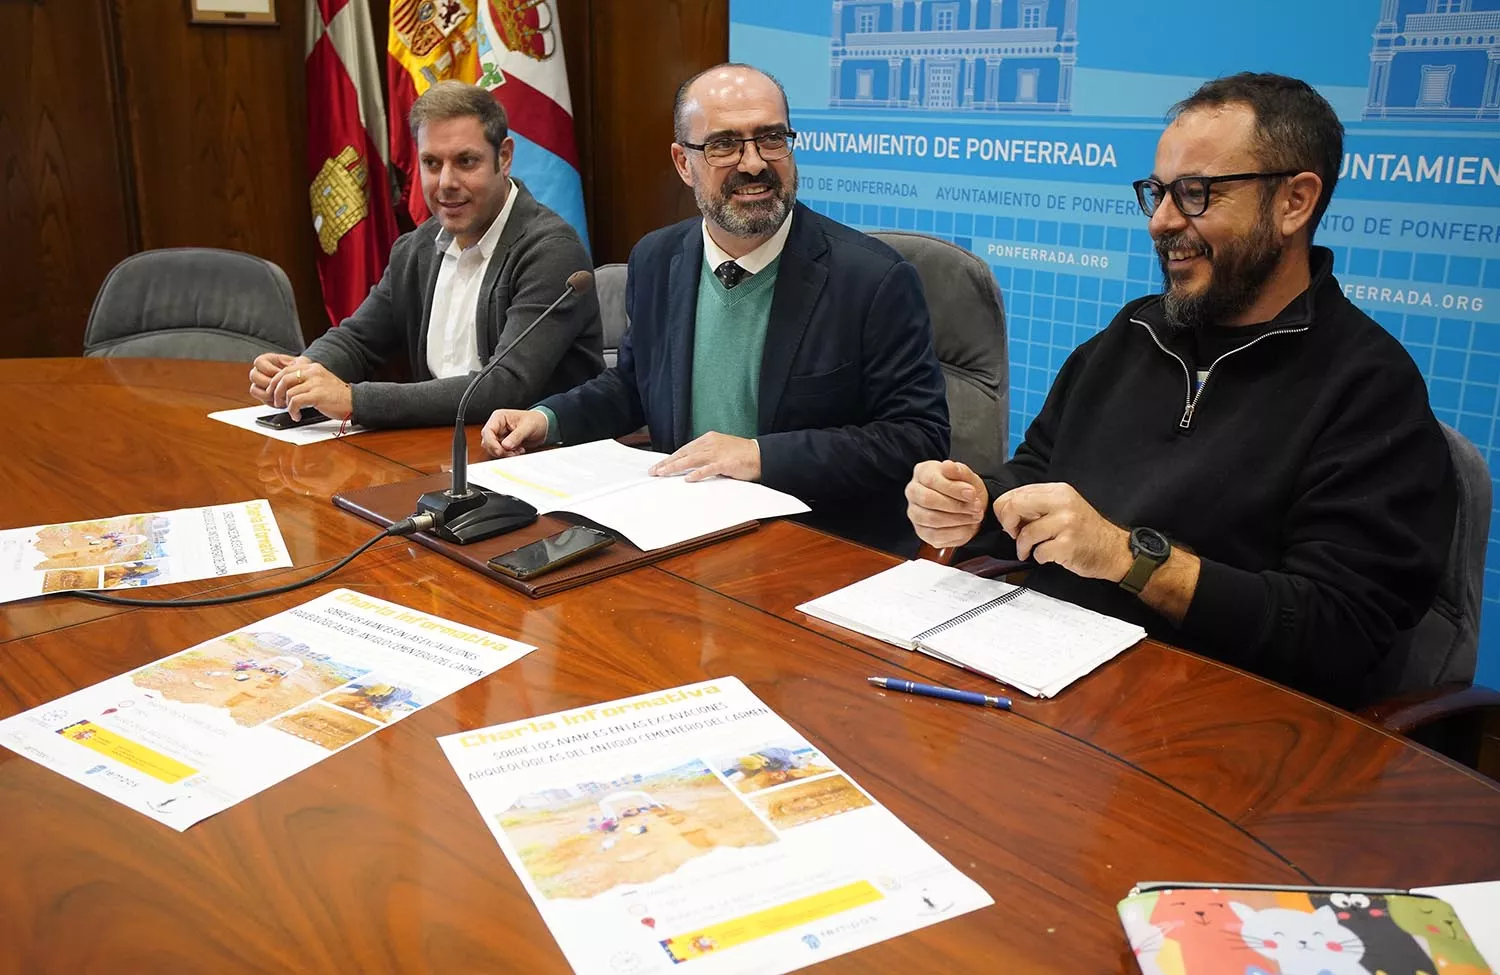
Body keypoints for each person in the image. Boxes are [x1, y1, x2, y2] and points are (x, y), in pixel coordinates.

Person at [905, 73, 1455, 710]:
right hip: (1052, 686)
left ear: (1295, 202)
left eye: (1196, 194)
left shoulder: (1369, 388)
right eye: (1159, 193)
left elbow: (1340, 632)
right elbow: (1033, 477)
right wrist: (976, 506)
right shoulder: (1130, 336)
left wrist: (1129, 558)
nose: (1162, 223)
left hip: (1221, 725)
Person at [480, 63, 949, 553]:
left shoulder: (873, 279)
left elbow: (917, 438)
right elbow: (635, 386)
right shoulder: (658, 258)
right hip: (679, 532)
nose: (753, 163)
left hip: (818, 546)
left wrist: (760, 455)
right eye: (724, 145)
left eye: (771, 139)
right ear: (684, 163)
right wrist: (548, 420)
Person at [249, 81, 602, 429]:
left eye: (466, 161)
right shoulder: (417, 247)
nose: (446, 182)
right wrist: (301, 374)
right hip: (436, 447)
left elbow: (504, 386)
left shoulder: (551, 251)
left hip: (536, 461)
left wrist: (353, 400)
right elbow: (358, 340)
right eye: (432, 164)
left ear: (504, 157)